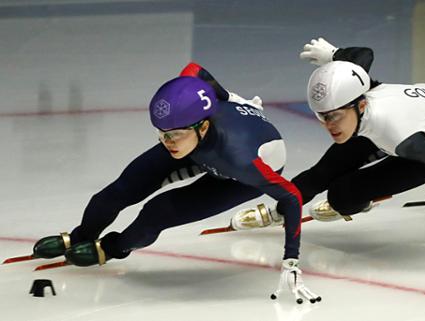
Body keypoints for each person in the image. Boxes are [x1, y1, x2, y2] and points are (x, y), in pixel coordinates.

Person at [29, 62, 320, 303]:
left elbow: (291, 195)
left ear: (203, 126)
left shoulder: (240, 160)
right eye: (161, 133)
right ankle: (81, 235)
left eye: (173, 135)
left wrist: (290, 260)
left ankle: (112, 247)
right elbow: (194, 70)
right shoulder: (182, 130)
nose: (166, 142)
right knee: (120, 190)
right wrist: (228, 97)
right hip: (200, 145)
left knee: (158, 212)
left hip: (237, 176)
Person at [233, 38, 425, 273]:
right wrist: (333, 55)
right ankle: (280, 212)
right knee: (323, 171)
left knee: (343, 196)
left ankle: (363, 200)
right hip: (413, 115)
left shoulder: (399, 136)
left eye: (334, 116)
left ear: (360, 106)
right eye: (322, 116)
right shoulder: (356, 89)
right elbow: (363, 55)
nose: (329, 125)